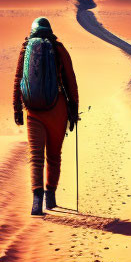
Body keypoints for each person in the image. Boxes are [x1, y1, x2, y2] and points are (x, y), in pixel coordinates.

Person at [13, 17, 79, 215]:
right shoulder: (58, 49)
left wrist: (17, 109)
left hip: (33, 110)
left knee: (36, 157)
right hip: (57, 108)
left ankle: (36, 201)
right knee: (53, 156)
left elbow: (18, 80)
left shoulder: (26, 50)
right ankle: (50, 198)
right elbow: (70, 80)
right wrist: (73, 111)